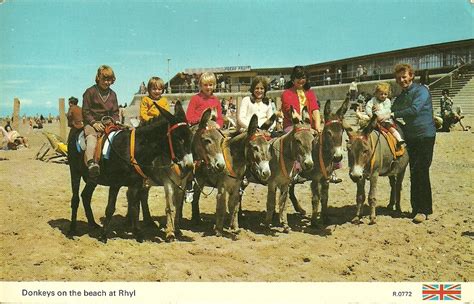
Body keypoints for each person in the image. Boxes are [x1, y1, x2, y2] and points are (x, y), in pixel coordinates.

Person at [379, 63, 436, 224]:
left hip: (425, 136)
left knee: (421, 171)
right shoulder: (402, 96)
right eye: (398, 78)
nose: (402, 80)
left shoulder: (422, 91)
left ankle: (423, 210)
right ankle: (416, 208)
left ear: (411, 75)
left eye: (404, 77)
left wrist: (391, 113)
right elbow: (392, 109)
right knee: (414, 172)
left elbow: (414, 110)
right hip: (411, 137)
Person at [281, 66, 341, 183]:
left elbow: (315, 110)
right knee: (297, 141)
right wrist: (304, 127)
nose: (301, 80)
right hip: (293, 125)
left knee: (328, 138)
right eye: (298, 77)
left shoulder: (310, 93)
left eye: (303, 78)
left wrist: (318, 127)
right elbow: (291, 111)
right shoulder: (286, 94)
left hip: (310, 126)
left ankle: (332, 168)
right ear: (293, 79)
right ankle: (296, 171)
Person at [82, 65, 120, 178]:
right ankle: (90, 163)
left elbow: (115, 112)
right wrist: (94, 123)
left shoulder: (113, 94)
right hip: (92, 123)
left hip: (108, 123)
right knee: (91, 139)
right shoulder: (90, 92)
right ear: (98, 77)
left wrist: (116, 121)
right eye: (104, 79)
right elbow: (85, 111)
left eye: (109, 80)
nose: (107, 82)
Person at [365, 83, 405, 147]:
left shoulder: (387, 101)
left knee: (391, 128)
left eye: (385, 94)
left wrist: (379, 110)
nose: (383, 96)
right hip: (374, 119)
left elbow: (387, 110)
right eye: (381, 94)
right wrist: (370, 114)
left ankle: (399, 139)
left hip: (384, 119)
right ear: (377, 93)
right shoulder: (373, 100)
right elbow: (368, 107)